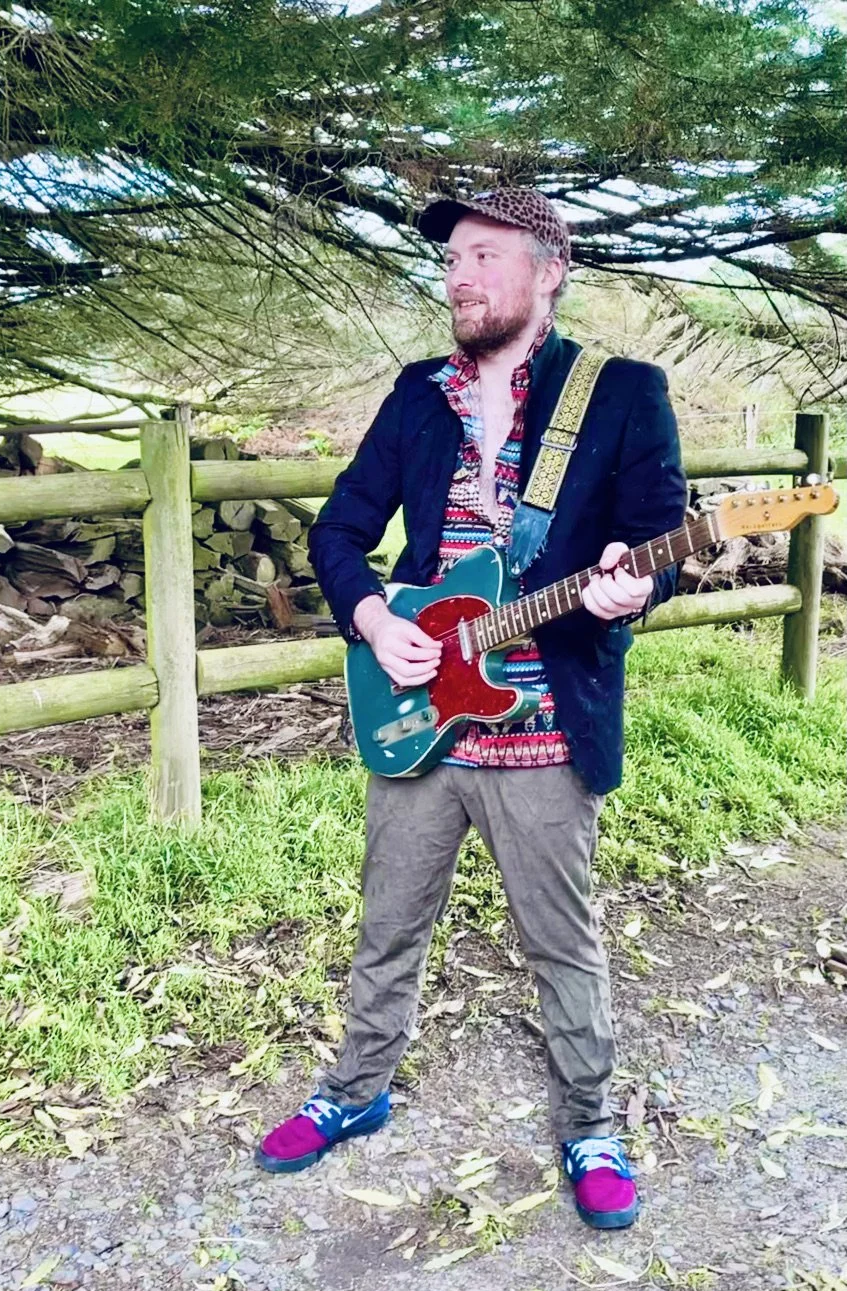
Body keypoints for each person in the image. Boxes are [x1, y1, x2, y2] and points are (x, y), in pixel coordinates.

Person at [254, 188, 687, 1231]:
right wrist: (370, 616)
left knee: (561, 939)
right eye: (452, 259)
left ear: (549, 270)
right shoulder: (419, 392)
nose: (460, 276)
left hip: (543, 724)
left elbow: (657, 540)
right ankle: (356, 1090)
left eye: (485, 255)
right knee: (387, 923)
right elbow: (339, 529)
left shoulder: (622, 391)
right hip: (417, 712)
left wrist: (635, 583)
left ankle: (590, 1122)